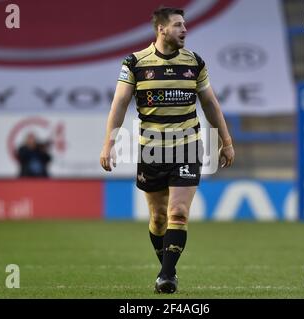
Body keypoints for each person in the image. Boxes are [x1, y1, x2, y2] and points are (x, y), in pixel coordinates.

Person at [100, 7, 234, 294]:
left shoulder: (195, 62)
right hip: (152, 152)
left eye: (185, 25)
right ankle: (166, 267)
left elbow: (210, 103)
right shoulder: (135, 62)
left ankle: (167, 275)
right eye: (178, 25)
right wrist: (108, 143)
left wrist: (227, 140)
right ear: (161, 29)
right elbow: (120, 104)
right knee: (159, 217)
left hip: (186, 148)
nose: (184, 30)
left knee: (178, 212)